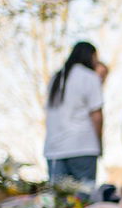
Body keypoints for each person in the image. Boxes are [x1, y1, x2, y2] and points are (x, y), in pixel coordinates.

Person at [44, 41, 105, 186]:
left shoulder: (55, 78)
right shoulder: (89, 77)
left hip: (55, 149)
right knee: (84, 200)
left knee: (60, 204)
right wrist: (100, 143)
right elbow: (96, 115)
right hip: (83, 146)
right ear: (90, 56)